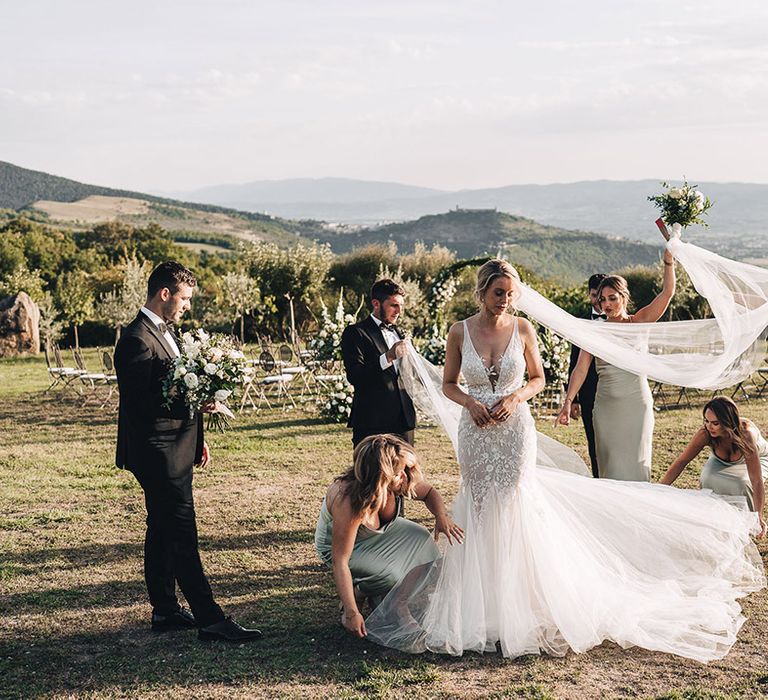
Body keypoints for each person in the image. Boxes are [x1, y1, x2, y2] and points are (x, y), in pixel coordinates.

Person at [364, 258, 764, 662]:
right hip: (475, 433)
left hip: (514, 429)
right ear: (482, 292)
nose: (504, 300)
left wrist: (516, 397)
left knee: (515, 503)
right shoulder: (458, 331)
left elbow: (538, 378)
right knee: (480, 505)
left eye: (509, 293)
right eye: (497, 292)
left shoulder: (522, 329)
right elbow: (449, 384)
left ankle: (524, 605)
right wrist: (469, 403)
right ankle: (482, 605)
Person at [115, 261, 262, 642]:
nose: (186, 306)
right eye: (184, 298)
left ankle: (164, 611)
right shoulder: (135, 339)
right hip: (156, 452)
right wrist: (191, 406)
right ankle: (210, 618)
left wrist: (197, 435)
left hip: (178, 446)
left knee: (161, 529)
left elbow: (177, 390)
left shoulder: (165, 333)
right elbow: (139, 405)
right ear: (164, 293)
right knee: (181, 530)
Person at [314, 434, 463, 638]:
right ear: (381, 474)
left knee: (423, 540)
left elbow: (429, 492)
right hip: (344, 546)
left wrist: (441, 516)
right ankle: (359, 593)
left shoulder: (398, 481)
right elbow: (340, 561)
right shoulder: (347, 500)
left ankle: (397, 603)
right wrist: (351, 613)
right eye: (399, 471)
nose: (404, 476)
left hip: (380, 534)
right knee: (390, 575)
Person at [557, 251, 676, 480]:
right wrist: (568, 400)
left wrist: (668, 261)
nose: (607, 304)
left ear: (623, 297)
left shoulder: (641, 321)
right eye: (603, 299)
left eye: (612, 298)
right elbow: (580, 368)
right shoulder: (594, 331)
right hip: (605, 407)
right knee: (608, 468)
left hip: (636, 405)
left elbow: (667, 292)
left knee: (637, 465)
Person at [661, 396, 767, 528]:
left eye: (715, 423)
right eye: (706, 421)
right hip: (721, 460)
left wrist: (758, 516)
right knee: (708, 478)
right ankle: (712, 519)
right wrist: (660, 488)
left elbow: (756, 480)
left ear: (728, 422)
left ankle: (747, 524)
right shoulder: (705, 434)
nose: (709, 427)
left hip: (758, 457)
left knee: (742, 482)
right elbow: (682, 461)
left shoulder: (746, 435)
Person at [341, 279, 416, 446]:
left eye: (401, 306)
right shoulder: (356, 333)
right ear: (376, 303)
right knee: (373, 472)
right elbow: (354, 375)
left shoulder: (399, 332)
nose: (399, 311)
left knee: (406, 471)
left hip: (404, 419)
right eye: (394, 305)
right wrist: (388, 357)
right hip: (372, 421)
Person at [566, 273, 607, 478]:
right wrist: (572, 398)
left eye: (603, 296)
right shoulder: (579, 322)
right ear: (589, 295)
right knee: (593, 439)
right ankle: (599, 479)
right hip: (589, 390)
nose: (599, 301)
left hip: (615, 389)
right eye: (594, 296)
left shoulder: (621, 319)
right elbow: (574, 362)